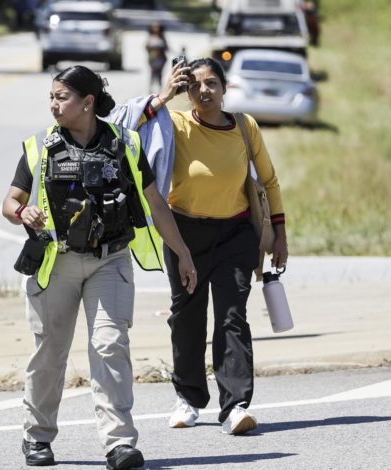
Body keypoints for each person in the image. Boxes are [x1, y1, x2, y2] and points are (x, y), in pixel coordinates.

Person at [2, 65, 197, 469]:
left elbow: (156, 204)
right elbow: (9, 203)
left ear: (87, 103)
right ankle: (36, 438)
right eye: (51, 97)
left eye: (62, 97)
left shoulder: (124, 144)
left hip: (110, 261)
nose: (54, 104)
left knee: (110, 346)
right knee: (49, 353)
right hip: (56, 263)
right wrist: (24, 213)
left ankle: (119, 443)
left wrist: (182, 253)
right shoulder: (38, 147)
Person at [145, 57, 289, 435]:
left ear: (225, 88)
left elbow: (269, 182)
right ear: (185, 91)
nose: (203, 91)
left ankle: (235, 405)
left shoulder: (244, 126)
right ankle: (188, 399)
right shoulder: (174, 123)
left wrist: (280, 233)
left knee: (231, 317)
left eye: (211, 83)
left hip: (235, 235)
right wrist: (164, 95)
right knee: (187, 316)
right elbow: (128, 129)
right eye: (194, 85)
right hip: (184, 236)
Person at [145, 22, 168, 93]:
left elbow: (166, 47)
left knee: (160, 74)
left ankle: (160, 89)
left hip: (161, 58)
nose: (156, 28)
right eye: (154, 27)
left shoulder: (162, 37)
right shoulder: (150, 37)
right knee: (152, 73)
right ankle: (150, 88)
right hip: (153, 58)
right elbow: (146, 47)